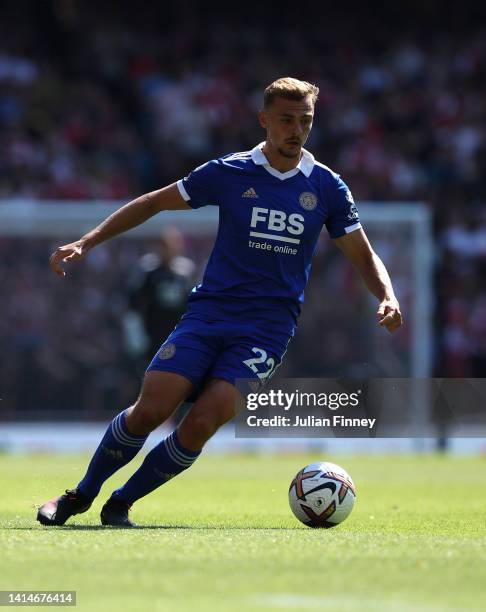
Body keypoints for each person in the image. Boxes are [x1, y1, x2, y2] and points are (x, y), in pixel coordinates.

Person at [37, 77, 402, 528]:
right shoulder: (230, 172)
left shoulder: (326, 187)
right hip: (209, 314)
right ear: (264, 119)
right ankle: (80, 496)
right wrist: (86, 242)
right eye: (286, 120)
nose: (296, 130)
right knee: (152, 409)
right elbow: (153, 203)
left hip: (268, 329)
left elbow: (362, 254)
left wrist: (387, 295)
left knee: (202, 421)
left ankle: (121, 503)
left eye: (304, 121)